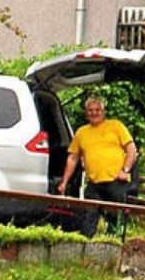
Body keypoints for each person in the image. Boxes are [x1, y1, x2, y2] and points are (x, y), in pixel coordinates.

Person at [58, 97, 137, 237]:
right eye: (90, 110)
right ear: (86, 113)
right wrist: (64, 181)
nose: (94, 113)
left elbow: (131, 149)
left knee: (116, 215)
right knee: (89, 213)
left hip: (116, 181)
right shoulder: (82, 133)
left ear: (103, 112)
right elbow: (73, 157)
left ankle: (114, 241)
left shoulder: (116, 126)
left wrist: (125, 170)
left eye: (97, 110)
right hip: (94, 183)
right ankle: (86, 244)